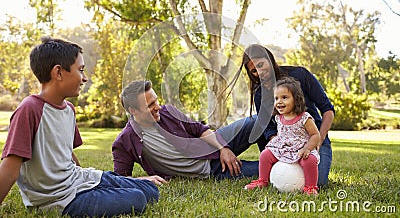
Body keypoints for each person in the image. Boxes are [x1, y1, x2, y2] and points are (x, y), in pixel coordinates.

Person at [0, 37, 159, 217]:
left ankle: (118, 183)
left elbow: (67, 154)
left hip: (78, 181)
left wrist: (90, 182)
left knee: (151, 190)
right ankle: (115, 186)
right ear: (58, 73)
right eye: (81, 70)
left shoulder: (69, 110)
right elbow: (10, 168)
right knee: (137, 199)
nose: (85, 78)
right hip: (59, 199)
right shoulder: (30, 109)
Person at [112, 79, 263, 182]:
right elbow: (120, 178)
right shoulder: (124, 141)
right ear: (133, 111)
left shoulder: (168, 111)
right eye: (150, 105)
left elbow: (200, 129)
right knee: (266, 169)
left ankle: (279, 148)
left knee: (258, 120)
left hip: (211, 143)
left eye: (156, 100)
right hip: (211, 168)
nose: (157, 106)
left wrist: (223, 147)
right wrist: (145, 179)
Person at [229, 44, 334, 187]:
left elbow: (327, 109)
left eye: (261, 65)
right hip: (284, 143)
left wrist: (318, 140)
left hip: (312, 140)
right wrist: (281, 147)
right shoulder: (260, 94)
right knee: (275, 171)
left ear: (269, 59)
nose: (259, 72)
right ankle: (260, 172)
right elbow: (267, 127)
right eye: (254, 70)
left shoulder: (300, 75)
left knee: (319, 182)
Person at [244, 77, 321, 195]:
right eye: (276, 98)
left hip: (301, 148)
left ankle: (310, 187)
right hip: (283, 147)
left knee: (309, 160)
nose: (279, 101)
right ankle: (262, 180)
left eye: (284, 97)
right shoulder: (278, 117)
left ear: (296, 99)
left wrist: (308, 148)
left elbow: (315, 135)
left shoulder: (304, 117)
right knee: (265, 155)